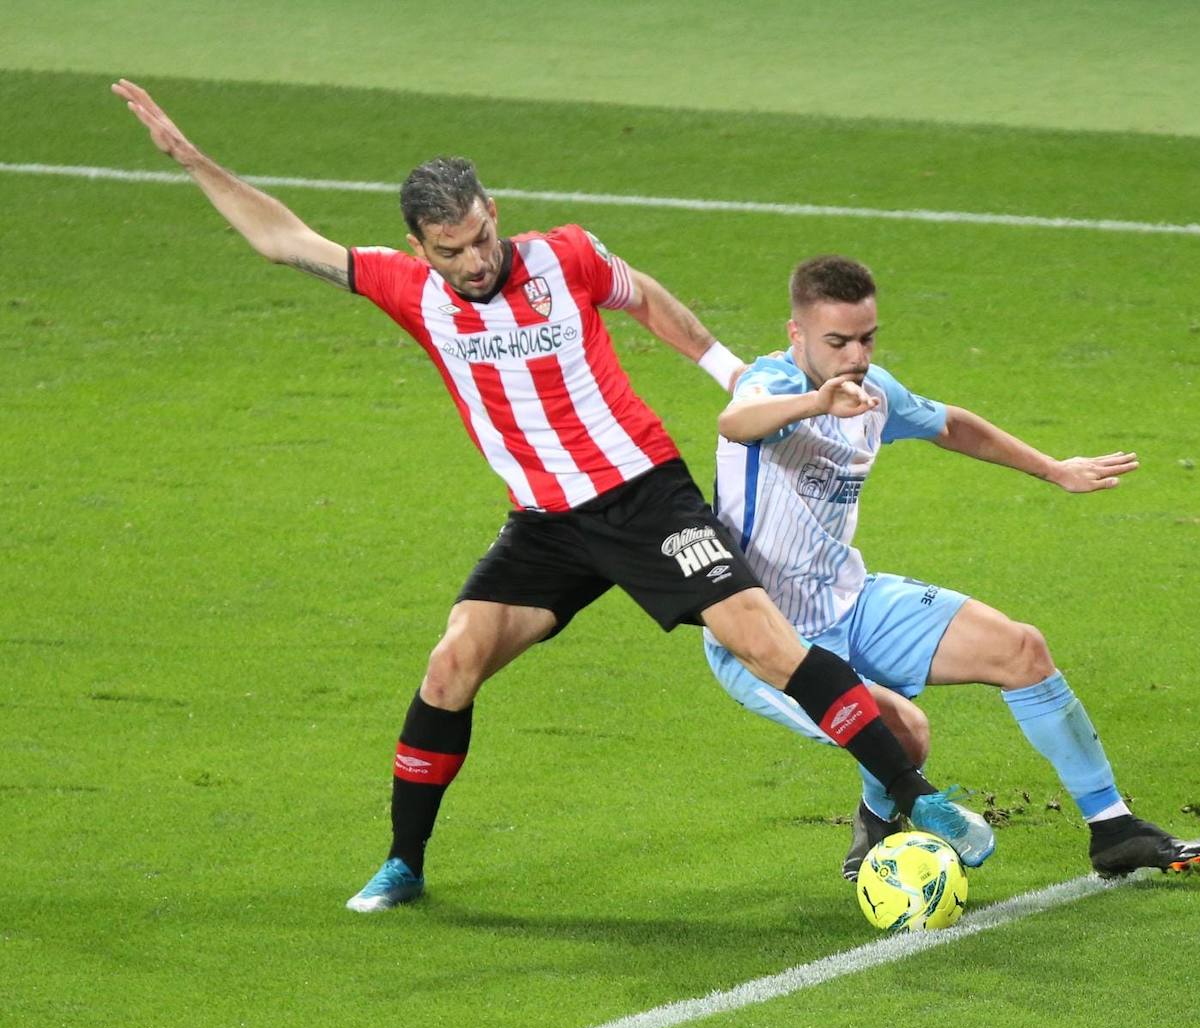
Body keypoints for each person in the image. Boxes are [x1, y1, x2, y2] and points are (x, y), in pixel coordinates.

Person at [112, 82, 995, 912]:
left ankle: (920, 797)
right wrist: (190, 155)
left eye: (481, 236)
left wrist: (726, 370)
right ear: (421, 246)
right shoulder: (408, 288)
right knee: (451, 663)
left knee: (764, 640)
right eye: (450, 249)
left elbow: (643, 295)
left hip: (645, 496)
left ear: (493, 213)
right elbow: (283, 240)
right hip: (546, 524)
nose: (473, 259)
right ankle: (403, 865)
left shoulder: (564, 257)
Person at [706, 254, 1200, 881]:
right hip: (761, 638)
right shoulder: (772, 384)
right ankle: (880, 816)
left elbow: (949, 424)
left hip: (850, 600)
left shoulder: (874, 391)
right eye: (836, 341)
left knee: (1021, 649)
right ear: (797, 334)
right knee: (904, 732)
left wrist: (1053, 469)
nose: (854, 356)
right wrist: (816, 402)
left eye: (866, 338)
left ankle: (1112, 828)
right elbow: (736, 421)